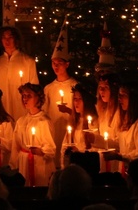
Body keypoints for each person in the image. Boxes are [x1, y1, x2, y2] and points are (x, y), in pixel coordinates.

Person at [43, 24, 77, 169]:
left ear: (67, 64)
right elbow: (45, 111)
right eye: (54, 64)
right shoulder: (49, 88)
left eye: (59, 64)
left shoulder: (74, 86)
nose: (56, 67)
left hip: (70, 128)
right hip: (54, 129)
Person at [104, 83, 138, 177]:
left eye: (123, 95)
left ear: (134, 99)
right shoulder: (127, 121)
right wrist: (94, 139)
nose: (119, 99)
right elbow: (119, 144)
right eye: (119, 95)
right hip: (128, 174)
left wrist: (120, 156)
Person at [0, 24, 38, 120]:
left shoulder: (28, 61)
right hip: (2, 108)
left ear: (16, 39)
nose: (7, 40)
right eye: (4, 37)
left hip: (22, 108)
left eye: (10, 37)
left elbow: (34, 87)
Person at [10, 83, 55, 187]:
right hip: (23, 163)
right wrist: (13, 165)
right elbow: (15, 146)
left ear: (38, 98)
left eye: (29, 96)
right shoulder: (21, 121)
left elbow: (50, 148)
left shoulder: (44, 121)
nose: (25, 99)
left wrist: (41, 151)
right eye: (23, 96)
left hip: (39, 163)